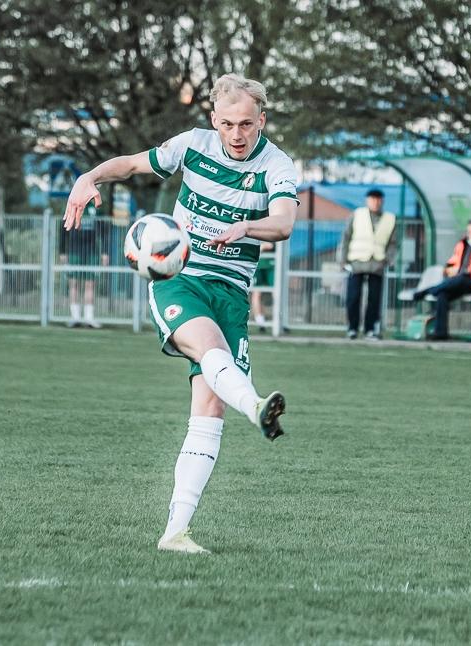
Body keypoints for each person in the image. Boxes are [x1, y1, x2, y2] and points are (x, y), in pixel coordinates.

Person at [62, 73, 298, 555]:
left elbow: (284, 223)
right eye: (227, 124)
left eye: (246, 124)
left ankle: (175, 533)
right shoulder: (192, 145)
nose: (236, 134)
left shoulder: (277, 165)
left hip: (231, 293)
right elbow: (131, 164)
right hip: (180, 279)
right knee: (209, 347)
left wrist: (247, 227)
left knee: (210, 410)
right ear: (214, 120)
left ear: (262, 120)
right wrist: (89, 178)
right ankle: (255, 405)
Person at [413, 220, 471, 340]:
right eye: (470, 232)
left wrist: (470, 272)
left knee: (462, 278)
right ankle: (440, 333)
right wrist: (448, 269)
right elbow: (453, 262)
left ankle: (428, 290)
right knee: (442, 295)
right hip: (458, 281)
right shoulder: (462, 245)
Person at [339, 188, 397, 340]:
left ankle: (370, 329)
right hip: (356, 262)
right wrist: (343, 260)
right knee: (353, 297)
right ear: (367, 200)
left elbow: (393, 243)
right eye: (372, 199)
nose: (375, 202)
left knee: (374, 299)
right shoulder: (357, 215)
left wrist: (387, 260)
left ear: (382, 201)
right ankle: (352, 328)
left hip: (377, 263)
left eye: (378, 199)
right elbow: (346, 237)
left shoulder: (390, 218)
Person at [250, 241, 275, 332]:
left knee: (276, 292)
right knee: (257, 293)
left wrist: (261, 247)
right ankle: (260, 322)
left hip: (271, 265)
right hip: (257, 265)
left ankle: (278, 321)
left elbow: (270, 245)